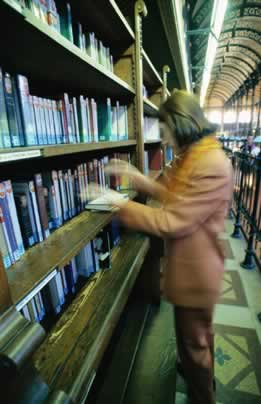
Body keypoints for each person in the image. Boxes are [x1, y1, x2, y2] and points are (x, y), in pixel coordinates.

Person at [98, 90, 233, 404]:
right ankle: (200, 373)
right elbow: (172, 192)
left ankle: (203, 396)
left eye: (166, 132)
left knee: (195, 345)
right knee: (198, 336)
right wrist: (136, 177)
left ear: (180, 124)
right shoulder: (196, 154)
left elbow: (172, 220)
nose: (165, 140)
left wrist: (118, 205)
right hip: (192, 269)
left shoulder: (210, 162)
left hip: (197, 275)